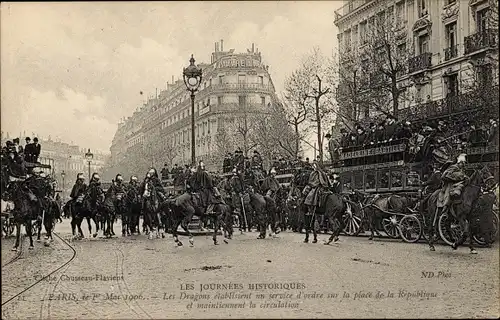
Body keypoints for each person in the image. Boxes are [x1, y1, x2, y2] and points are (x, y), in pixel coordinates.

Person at [302, 161, 330, 243]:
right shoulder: (312, 173)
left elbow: (319, 181)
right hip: (313, 185)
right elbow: (310, 181)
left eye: (315, 166)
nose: (314, 167)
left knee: (311, 194)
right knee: (305, 191)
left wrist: (313, 184)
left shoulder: (319, 173)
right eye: (313, 166)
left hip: (317, 187)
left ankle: (311, 203)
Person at [438, 153, 469, 218]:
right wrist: (457, 177)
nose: (463, 165)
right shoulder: (454, 167)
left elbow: (462, 176)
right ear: (459, 162)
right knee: (449, 192)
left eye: (464, 163)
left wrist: (464, 177)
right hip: (450, 184)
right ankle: (445, 207)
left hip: (458, 184)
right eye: (462, 163)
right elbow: (445, 175)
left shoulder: (461, 169)